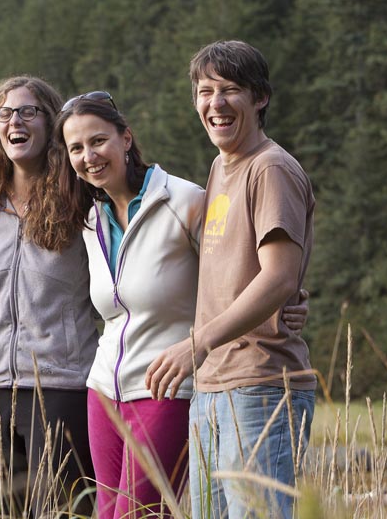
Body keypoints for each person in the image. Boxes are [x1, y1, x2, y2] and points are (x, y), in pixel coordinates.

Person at [52, 92, 309, 519]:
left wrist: (292, 296)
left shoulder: (184, 201)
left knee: (141, 513)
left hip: (168, 386)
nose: (89, 156)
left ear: (126, 138)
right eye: (76, 148)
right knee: (107, 511)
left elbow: (243, 264)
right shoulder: (90, 217)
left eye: (98, 141)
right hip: (103, 390)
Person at [146, 40, 316, 519]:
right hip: (215, 385)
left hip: (261, 384)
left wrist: (194, 343)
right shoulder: (223, 166)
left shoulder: (271, 167)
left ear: (259, 98)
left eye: (230, 90)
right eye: (205, 91)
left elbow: (279, 277)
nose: (215, 103)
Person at [0, 76, 97, 516]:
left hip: (63, 386)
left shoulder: (82, 197)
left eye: (27, 111)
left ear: (50, 123)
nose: (14, 121)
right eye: (4, 113)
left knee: (62, 510)